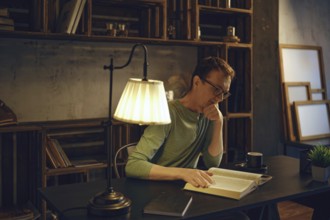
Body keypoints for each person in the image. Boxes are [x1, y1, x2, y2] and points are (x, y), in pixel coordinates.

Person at [125, 56, 250, 220]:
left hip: (186, 193)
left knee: (245, 215)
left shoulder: (209, 114)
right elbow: (133, 165)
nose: (219, 98)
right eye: (216, 90)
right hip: (157, 196)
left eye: (224, 93)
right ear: (197, 82)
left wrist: (219, 122)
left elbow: (213, 163)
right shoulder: (169, 112)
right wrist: (183, 173)